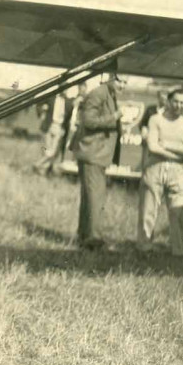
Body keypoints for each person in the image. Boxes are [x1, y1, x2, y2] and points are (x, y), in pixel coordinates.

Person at [69, 73, 125, 250]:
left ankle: (85, 236)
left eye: (125, 82)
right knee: (95, 197)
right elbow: (88, 121)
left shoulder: (107, 93)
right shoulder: (99, 93)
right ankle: (93, 240)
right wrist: (114, 117)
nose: (122, 85)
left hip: (95, 153)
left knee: (90, 197)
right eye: (119, 80)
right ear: (108, 78)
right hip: (92, 153)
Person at [137, 88, 183, 259]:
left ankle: (181, 250)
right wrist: (178, 154)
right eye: (175, 101)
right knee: (148, 210)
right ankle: (144, 247)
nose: (178, 106)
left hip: (179, 172)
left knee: (180, 212)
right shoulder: (156, 119)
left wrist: (166, 144)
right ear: (168, 101)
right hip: (155, 168)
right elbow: (152, 146)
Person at [33, 92, 67, 175]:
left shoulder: (67, 101)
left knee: (53, 151)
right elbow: (38, 102)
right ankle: (42, 172)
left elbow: (68, 116)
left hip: (59, 127)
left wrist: (64, 128)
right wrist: (41, 114)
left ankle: (38, 164)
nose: (65, 90)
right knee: (47, 150)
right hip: (49, 125)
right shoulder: (51, 98)